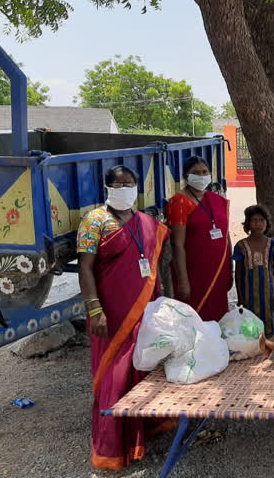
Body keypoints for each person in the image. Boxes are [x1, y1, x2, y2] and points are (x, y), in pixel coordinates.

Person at [77, 165, 171, 470]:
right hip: (111, 314)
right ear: (108, 189)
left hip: (145, 310)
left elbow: (155, 266)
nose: (125, 190)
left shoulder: (145, 221)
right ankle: (113, 445)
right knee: (114, 375)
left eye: (129, 185)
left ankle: (144, 432)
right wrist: (95, 309)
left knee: (144, 368)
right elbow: (86, 269)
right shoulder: (95, 221)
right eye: (118, 186)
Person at [165, 156, 232, 322]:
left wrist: (230, 269)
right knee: (195, 319)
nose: (201, 176)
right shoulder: (179, 202)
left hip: (218, 270)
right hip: (193, 273)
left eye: (204, 172)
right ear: (186, 176)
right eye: (195, 172)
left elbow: (226, 235)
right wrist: (183, 280)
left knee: (218, 317)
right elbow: (177, 244)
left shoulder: (217, 200)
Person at [233, 204, 274, 337]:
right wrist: (240, 297)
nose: (258, 224)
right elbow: (238, 274)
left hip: (269, 294)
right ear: (248, 223)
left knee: (269, 323)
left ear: (267, 223)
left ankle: (269, 350)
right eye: (254, 220)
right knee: (250, 326)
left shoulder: (272, 244)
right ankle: (253, 351)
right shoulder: (241, 246)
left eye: (262, 220)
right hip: (248, 295)